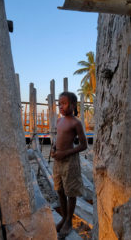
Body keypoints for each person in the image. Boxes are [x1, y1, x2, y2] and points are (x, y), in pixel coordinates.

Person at [51, 91, 87, 238]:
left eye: (64, 103)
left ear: (73, 105)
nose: (61, 106)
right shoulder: (59, 121)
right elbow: (58, 138)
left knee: (70, 192)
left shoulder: (76, 123)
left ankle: (69, 221)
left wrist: (64, 153)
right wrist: (53, 148)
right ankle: (64, 218)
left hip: (69, 162)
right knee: (59, 190)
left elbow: (83, 145)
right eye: (59, 104)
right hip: (58, 161)